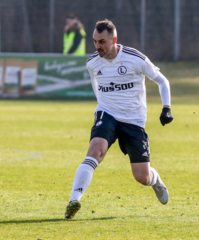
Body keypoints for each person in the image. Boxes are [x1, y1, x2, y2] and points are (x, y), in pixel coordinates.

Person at [64, 19, 174, 219]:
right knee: (95, 151)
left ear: (114, 40)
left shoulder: (134, 58)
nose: (98, 46)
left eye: (102, 42)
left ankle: (155, 180)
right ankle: (74, 200)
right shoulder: (92, 63)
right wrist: (102, 108)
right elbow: (96, 86)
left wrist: (166, 108)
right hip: (107, 115)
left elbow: (162, 81)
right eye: (95, 41)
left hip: (133, 121)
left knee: (142, 177)